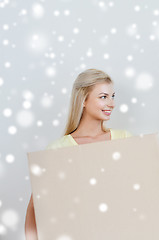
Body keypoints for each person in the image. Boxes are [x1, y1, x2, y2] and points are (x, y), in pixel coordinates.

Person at [25, 69, 131, 240]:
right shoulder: (58, 149)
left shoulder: (125, 139)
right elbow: (35, 208)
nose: (111, 103)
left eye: (113, 96)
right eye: (103, 97)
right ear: (83, 100)